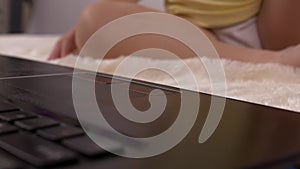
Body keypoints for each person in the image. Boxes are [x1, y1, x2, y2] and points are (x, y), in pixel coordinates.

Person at [48, 0, 300, 67]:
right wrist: (83, 29)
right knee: (95, 20)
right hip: (192, 34)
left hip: (271, 24)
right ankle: (270, 60)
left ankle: (277, 56)